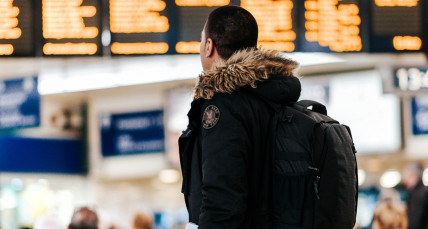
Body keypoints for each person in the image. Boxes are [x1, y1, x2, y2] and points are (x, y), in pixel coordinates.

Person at [178, 5, 300, 228]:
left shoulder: (223, 107)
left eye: (200, 40)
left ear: (208, 46)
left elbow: (222, 202)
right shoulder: (272, 97)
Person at [403, 163, 428, 229]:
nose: (405, 180)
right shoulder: (423, 191)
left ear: (413, 176)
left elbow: (415, 221)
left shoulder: (417, 194)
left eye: (406, 176)